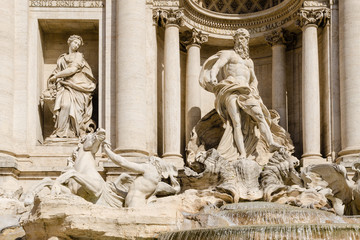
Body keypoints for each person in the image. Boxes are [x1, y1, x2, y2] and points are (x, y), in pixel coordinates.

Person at [199, 28, 284, 161]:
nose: (242, 41)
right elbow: (217, 66)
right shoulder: (229, 54)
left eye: (244, 38)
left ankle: (271, 142)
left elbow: (254, 78)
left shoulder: (249, 62)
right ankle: (242, 153)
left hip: (246, 92)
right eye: (239, 38)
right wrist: (213, 76)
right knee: (236, 122)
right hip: (231, 89)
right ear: (235, 40)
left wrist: (254, 87)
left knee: (260, 115)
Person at [46, 35, 96, 138]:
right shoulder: (62, 57)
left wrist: (56, 76)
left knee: (71, 108)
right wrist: (53, 77)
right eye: (75, 42)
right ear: (69, 42)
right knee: (65, 106)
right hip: (65, 86)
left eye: (78, 44)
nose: (76, 45)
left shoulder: (78, 56)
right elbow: (58, 70)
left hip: (78, 86)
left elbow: (72, 70)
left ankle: (74, 132)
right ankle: (60, 132)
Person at [102, 142, 180, 207]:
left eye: (149, 160)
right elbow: (135, 192)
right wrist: (117, 191)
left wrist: (107, 151)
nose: (147, 161)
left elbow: (123, 163)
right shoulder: (155, 181)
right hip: (135, 204)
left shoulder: (149, 169)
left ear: (154, 162)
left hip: (134, 205)